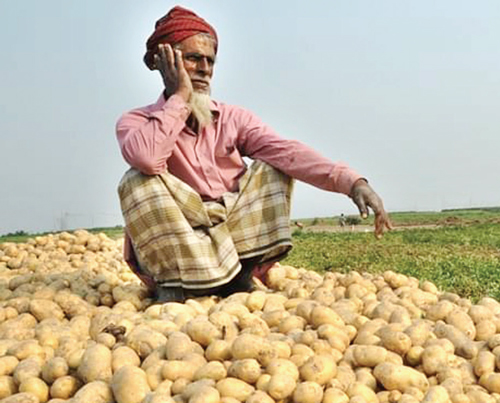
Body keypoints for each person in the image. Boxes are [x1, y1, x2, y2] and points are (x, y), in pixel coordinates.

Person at [116, 6, 392, 303]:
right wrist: (179, 98)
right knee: (136, 180)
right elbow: (147, 158)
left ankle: (238, 278)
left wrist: (352, 182)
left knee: (274, 166)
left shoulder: (233, 118)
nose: (205, 69)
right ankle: (175, 285)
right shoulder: (137, 121)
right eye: (193, 58)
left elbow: (288, 152)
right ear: (166, 63)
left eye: (210, 61)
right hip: (181, 244)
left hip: (231, 236)